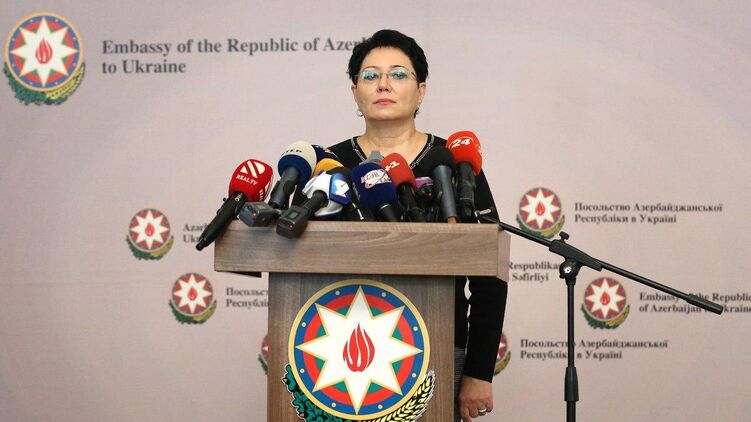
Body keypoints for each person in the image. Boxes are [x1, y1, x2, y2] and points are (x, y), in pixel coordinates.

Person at [326, 29, 508, 422]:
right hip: (336, 351)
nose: (384, 84)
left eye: (398, 74)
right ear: (355, 92)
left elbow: (489, 278)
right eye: (370, 75)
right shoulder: (330, 164)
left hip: (439, 346)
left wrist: (478, 371)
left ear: (420, 91)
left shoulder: (453, 163)